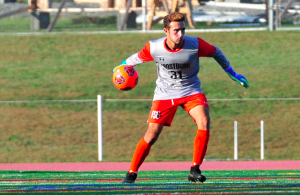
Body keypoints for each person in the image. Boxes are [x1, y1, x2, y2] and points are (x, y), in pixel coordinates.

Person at [114, 12, 249, 183]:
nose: (180, 34)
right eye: (176, 30)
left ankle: (194, 169)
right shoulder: (154, 47)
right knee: (151, 135)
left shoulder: (195, 44)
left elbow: (216, 52)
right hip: (164, 94)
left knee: (204, 121)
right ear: (166, 31)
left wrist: (232, 73)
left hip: (190, 91)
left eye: (183, 29)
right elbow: (132, 60)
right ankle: (131, 173)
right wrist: (118, 69)